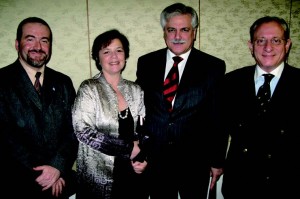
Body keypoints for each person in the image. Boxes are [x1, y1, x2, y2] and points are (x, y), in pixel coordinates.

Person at [135, 3, 228, 199]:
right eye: (172, 30)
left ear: (194, 32)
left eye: (184, 29)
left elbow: (218, 117)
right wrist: (137, 150)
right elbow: (139, 110)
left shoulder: (213, 66)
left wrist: (217, 161)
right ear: (164, 32)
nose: (178, 36)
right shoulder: (146, 63)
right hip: (155, 159)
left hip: (195, 161)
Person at [221, 16, 300, 199]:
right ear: (251, 45)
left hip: (288, 185)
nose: (268, 47)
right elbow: (219, 128)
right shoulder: (231, 82)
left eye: (276, 40)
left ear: (287, 45)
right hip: (240, 185)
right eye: (260, 41)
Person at [0, 17, 78, 198]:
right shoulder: (2, 81)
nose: (38, 46)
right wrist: (45, 174)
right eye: (30, 39)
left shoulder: (63, 82)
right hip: (16, 183)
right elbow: (5, 137)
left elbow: (74, 130)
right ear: (17, 44)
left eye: (44, 40)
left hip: (62, 181)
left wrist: (57, 167)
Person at [72, 29, 148, 199]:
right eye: (106, 51)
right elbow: (82, 131)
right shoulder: (89, 88)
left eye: (119, 50)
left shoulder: (135, 90)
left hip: (131, 173)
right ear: (97, 58)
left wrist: (142, 158)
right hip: (99, 175)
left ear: (125, 56)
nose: (114, 56)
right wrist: (128, 149)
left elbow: (143, 129)